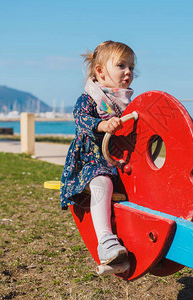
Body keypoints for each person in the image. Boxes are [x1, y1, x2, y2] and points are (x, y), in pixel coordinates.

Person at [60, 41, 136, 265]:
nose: (128, 72)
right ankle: (105, 240)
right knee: (101, 180)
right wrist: (102, 125)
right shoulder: (90, 98)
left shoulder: (124, 102)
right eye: (121, 65)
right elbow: (81, 120)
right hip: (90, 159)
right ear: (100, 71)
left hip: (115, 160)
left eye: (131, 67)